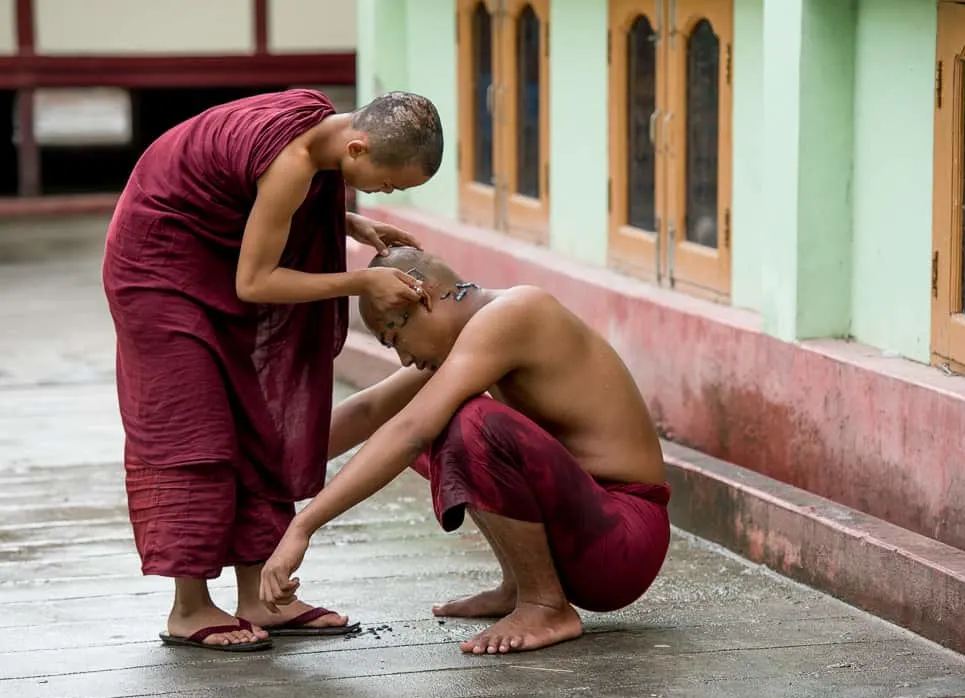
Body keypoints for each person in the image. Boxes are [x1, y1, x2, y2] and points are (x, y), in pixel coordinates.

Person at [102, 89, 444, 652]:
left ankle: (260, 597)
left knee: (257, 418)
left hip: (215, 250)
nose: (386, 194)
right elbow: (255, 283)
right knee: (195, 430)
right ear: (357, 147)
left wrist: (346, 222)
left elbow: (253, 189)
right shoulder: (293, 164)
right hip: (158, 269)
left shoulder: (318, 124)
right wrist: (359, 280)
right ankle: (188, 607)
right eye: (388, 183)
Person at [260, 247, 671, 655]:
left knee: (468, 424)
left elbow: (409, 431)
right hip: (584, 530)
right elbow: (370, 409)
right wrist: (260, 469)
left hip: (623, 540)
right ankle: (520, 584)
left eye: (395, 336)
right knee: (442, 423)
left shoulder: (516, 312)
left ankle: (544, 604)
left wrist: (303, 526)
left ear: (423, 297)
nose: (405, 358)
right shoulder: (468, 339)